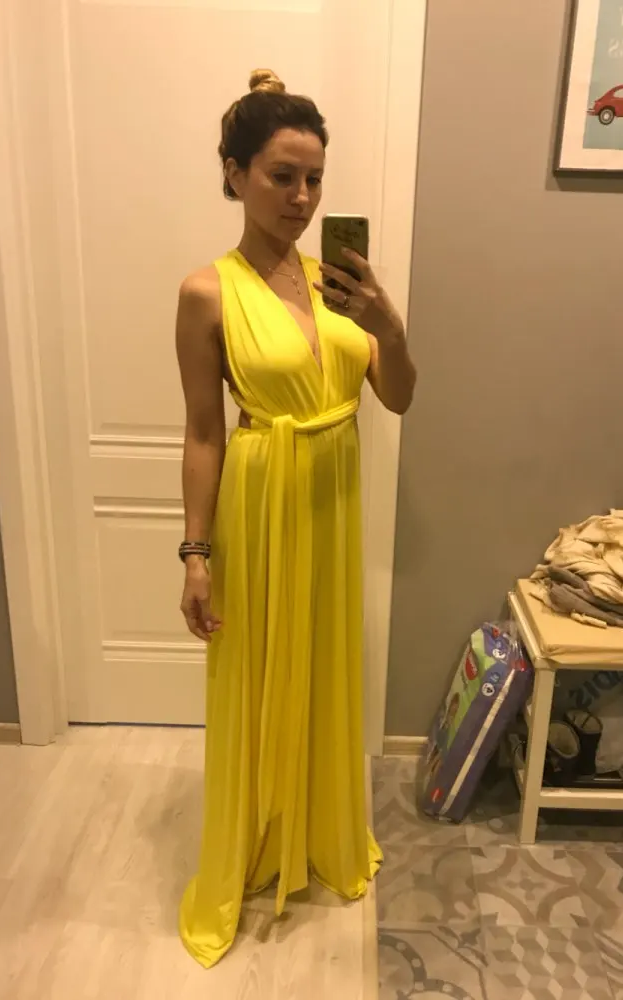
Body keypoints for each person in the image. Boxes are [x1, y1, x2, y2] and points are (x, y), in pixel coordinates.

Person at [175, 69, 416, 968]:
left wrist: (388, 324)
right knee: (258, 670)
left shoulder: (338, 284)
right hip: (261, 499)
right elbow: (204, 432)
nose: (303, 198)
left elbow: (399, 397)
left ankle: (315, 832)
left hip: (332, 501)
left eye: (315, 179)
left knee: (321, 667)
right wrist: (196, 553)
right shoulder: (207, 292)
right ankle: (253, 844)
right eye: (282, 176)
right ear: (234, 173)